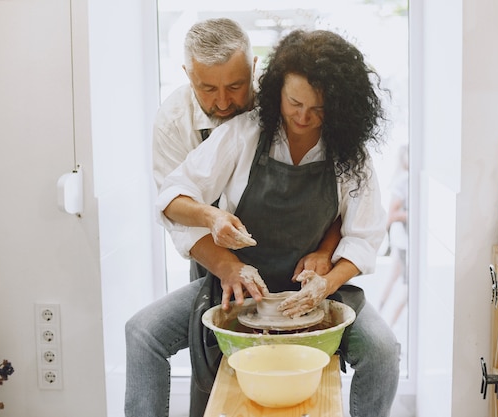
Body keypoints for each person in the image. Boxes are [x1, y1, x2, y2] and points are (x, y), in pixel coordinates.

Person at [130, 28, 400, 416]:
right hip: (237, 287)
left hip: (315, 292)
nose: (304, 117)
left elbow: (364, 235)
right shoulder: (245, 133)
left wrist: (326, 281)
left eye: (318, 108)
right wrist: (214, 216)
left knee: (384, 352)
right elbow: (171, 196)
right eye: (294, 103)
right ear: (276, 91)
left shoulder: (349, 154)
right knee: (141, 332)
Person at [152, 18, 341, 282]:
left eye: (235, 86)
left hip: (306, 268)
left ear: (253, 68)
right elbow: (177, 212)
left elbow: (344, 196)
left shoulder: (287, 99)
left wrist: (324, 252)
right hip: (214, 261)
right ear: (188, 74)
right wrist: (226, 263)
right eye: (207, 89)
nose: (223, 101)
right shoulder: (173, 123)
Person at [379, 144, 409, 327]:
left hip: (400, 241)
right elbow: (392, 214)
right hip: (404, 242)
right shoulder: (404, 180)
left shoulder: (403, 178)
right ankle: (387, 327)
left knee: (392, 278)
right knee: (409, 288)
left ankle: (378, 318)